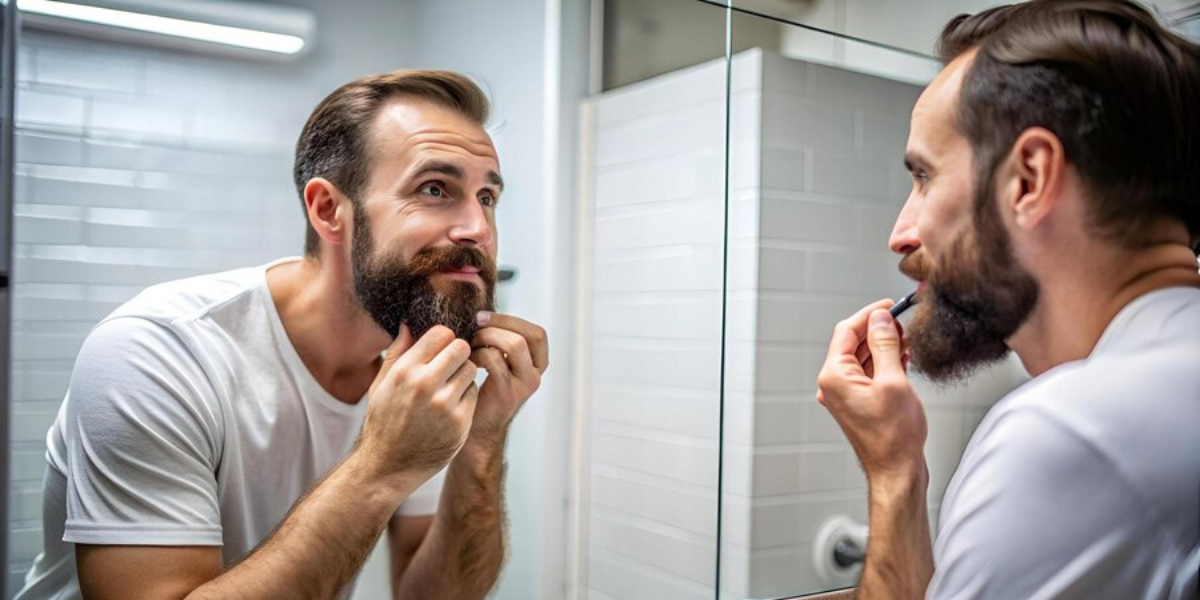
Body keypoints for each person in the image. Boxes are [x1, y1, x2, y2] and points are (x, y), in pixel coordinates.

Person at [15, 70, 548, 600]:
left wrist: (482, 440)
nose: (478, 228)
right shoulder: (156, 351)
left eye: (487, 197)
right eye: (435, 189)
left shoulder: (418, 372)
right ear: (327, 210)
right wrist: (381, 463)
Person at [815, 1, 1199, 599]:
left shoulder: (1066, 436)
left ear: (1028, 179)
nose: (901, 233)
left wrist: (893, 477)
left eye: (924, 176)